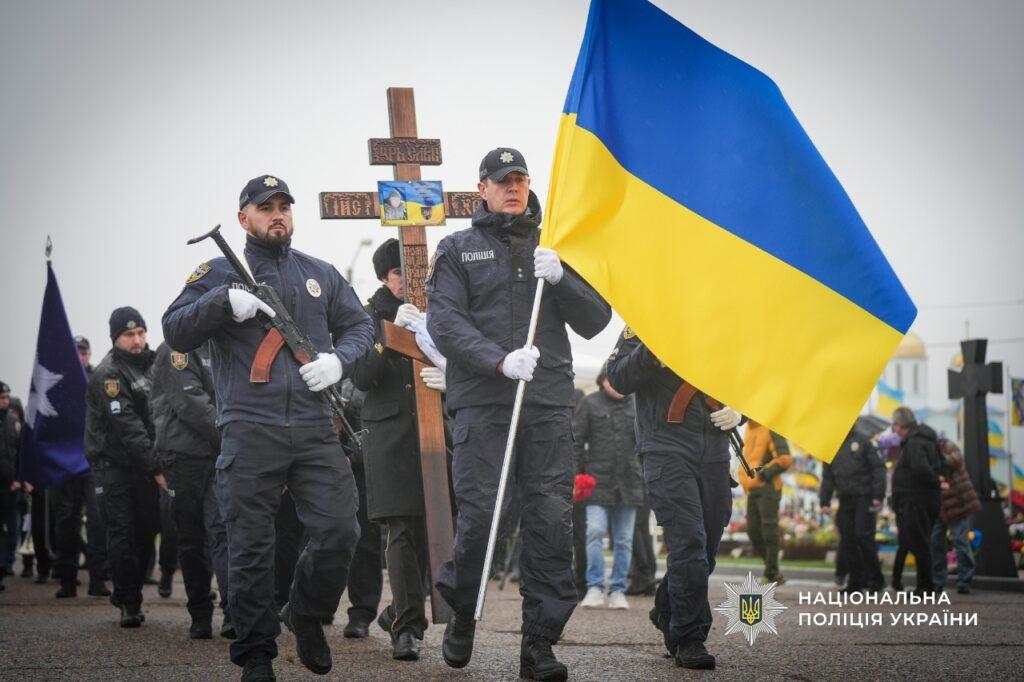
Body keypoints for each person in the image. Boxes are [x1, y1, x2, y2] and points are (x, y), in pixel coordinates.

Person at [162, 174, 374, 681]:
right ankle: (256, 653)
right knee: (250, 545)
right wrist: (221, 302)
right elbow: (174, 328)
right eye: (265, 207)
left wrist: (338, 361)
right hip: (249, 426)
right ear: (244, 219)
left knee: (340, 530)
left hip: (315, 424)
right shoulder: (217, 272)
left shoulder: (319, 272)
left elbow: (361, 326)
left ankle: (304, 611)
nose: (277, 214)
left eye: (284, 206)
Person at [426, 147, 611, 680]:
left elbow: (597, 319)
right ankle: (464, 609)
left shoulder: (555, 248)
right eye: (502, 180)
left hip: (546, 403)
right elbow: (445, 322)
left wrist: (562, 279)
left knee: (551, 522)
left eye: (520, 180)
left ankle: (539, 645)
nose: (513, 188)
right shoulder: (457, 249)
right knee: (483, 518)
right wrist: (498, 360)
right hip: (484, 403)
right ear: (481, 188)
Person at [606, 327, 742, 671]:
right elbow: (618, 378)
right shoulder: (647, 321)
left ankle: (667, 607)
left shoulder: (726, 324)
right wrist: (652, 351)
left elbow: (750, 375)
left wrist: (743, 410)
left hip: (715, 451)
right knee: (689, 543)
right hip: (665, 449)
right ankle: (689, 637)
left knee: (706, 550)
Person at [349, 238, 448, 661]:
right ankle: (407, 628)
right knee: (402, 530)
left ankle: (397, 613)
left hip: (434, 432)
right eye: (398, 274)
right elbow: (361, 376)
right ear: (384, 277)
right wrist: (389, 335)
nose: (409, 281)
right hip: (390, 434)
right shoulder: (366, 315)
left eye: (415, 273)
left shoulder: (439, 309)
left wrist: (450, 375)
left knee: (433, 532)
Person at [84, 307, 163, 626]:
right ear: (116, 338)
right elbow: (128, 427)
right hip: (113, 466)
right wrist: (157, 467)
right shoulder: (110, 374)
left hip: (143, 464)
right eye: (129, 334)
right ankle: (129, 602)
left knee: (147, 530)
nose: (137, 340)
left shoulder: (153, 366)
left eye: (141, 332)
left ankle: (128, 590)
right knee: (122, 533)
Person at [150, 341, 231, 638]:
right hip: (184, 456)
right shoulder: (176, 347)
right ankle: (200, 613)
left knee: (223, 531)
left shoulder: (221, 341)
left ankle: (233, 612)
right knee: (191, 538)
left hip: (219, 454)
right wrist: (231, 434)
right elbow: (189, 402)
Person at [573, 365, 642, 610]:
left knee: (624, 539)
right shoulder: (590, 403)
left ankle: (618, 590)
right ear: (602, 380)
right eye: (612, 379)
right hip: (596, 482)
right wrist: (576, 476)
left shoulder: (638, 404)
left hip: (630, 481)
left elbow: (648, 441)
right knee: (594, 531)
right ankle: (594, 587)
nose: (617, 385)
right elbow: (576, 441)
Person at [52, 335, 111, 599]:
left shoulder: (98, 379)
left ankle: (98, 579)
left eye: (84, 352)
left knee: (98, 521)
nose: (80, 357)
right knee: (66, 522)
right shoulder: (56, 383)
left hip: (92, 461)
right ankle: (67, 580)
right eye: (76, 352)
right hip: (65, 464)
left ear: (89, 354)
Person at [818, 427, 885, 593]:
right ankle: (855, 581)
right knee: (847, 539)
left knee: (863, 537)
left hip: (864, 497)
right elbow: (828, 478)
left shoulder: (864, 441)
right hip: (845, 498)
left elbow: (878, 468)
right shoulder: (830, 447)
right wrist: (824, 501)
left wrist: (878, 495)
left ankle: (876, 579)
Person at [890, 406, 943, 595]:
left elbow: (920, 468)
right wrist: (939, 481)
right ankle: (927, 584)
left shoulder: (913, 442)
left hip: (915, 499)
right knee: (921, 542)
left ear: (899, 425)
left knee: (919, 543)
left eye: (895, 425)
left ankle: (925, 586)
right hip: (926, 498)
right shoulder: (928, 439)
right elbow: (942, 465)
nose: (894, 429)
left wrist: (934, 481)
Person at [739, 420, 793, 585]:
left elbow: (785, 458)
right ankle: (773, 571)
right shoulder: (748, 429)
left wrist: (763, 473)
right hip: (752, 490)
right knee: (752, 531)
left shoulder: (771, 429)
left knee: (769, 530)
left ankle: (770, 572)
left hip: (768, 487)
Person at [932, 437, 980, 594]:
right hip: (939, 506)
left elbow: (955, 460)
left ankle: (964, 581)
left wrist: (934, 459)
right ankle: (938, 581)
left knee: (960, 542)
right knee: (935, 542)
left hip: (957, 503)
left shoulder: (948, 446)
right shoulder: (927, 454)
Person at [0, 381, 19, 592]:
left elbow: (19, 453)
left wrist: (19, 478)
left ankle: (6, 565)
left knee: (12, 528)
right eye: (2, 398)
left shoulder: (14, 422)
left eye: (7, 397)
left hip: (11, 486)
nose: (6, 401)